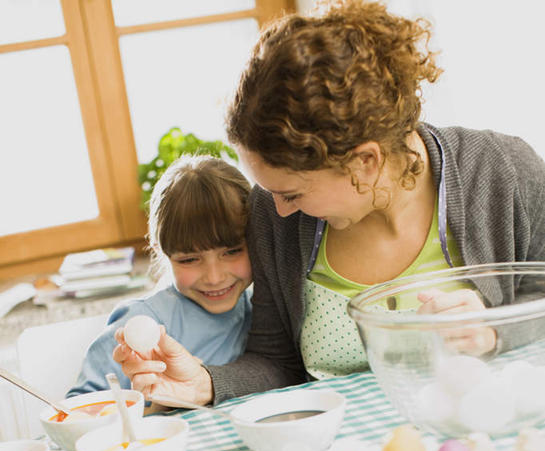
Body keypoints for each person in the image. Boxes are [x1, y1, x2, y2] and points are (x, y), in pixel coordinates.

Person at [114, 0, 545, 408]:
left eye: (293, 194)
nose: (278, 210)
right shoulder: (273, 215)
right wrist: (207, 383)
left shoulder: (502, 171)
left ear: (365, 161)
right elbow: (276, 361)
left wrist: (497, 329)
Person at [67, 154, 253, 397]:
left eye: (231, 251)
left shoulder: (260, 308)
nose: (215, 277)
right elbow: (78, 408)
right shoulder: (142, 321)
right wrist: (148, 405)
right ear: (159, 250)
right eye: (189, 259)